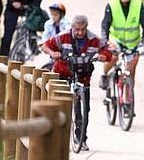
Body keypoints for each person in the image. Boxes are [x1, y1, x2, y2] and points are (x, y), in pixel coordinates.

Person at [41, 15, 112, 151]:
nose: (80, 32)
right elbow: (45, 46)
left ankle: (81, 138)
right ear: (72, 27)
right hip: (63, 74)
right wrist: (53, 53)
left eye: (83, 29)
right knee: (57, 106)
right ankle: (53, 137)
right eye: (77, 29)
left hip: (83, 76)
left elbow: (108, 49)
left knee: (84, 109)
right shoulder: (63, 37)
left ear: (86, 28)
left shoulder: (93, 39)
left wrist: (104, 56)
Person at [99, 0, 144, 89]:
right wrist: (105, 43)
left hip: (133, 42)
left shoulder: (138, 4)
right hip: (116, 39)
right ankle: (104, 75)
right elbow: (105, 26)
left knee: (131, 70)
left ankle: (128, 96)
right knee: (112, 57)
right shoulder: (111, 5)